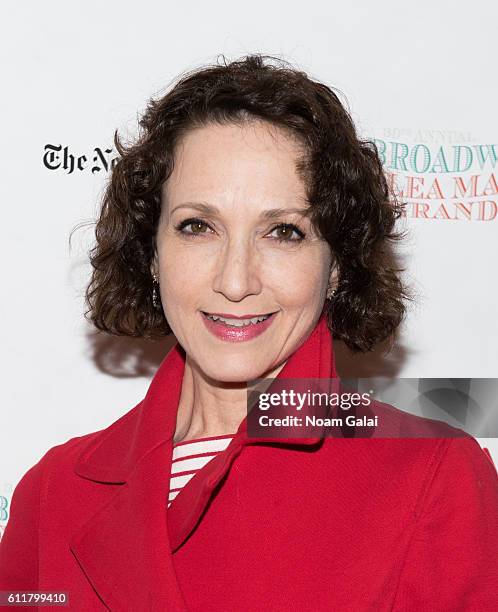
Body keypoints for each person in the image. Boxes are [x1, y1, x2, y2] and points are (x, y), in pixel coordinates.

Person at [1, 54, 497, 611]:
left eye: (284, 232)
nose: (236, 281)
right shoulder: (53, 491)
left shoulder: (433, 474)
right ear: (152, 252)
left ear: (335, 267)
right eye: (198, 227)